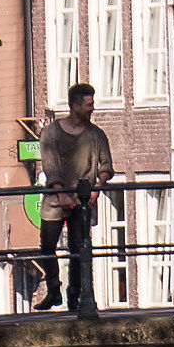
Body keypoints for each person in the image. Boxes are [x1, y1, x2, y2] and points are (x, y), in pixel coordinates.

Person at [35, 84, 113, 312]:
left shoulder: (96, 134)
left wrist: (98, 185)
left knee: (79, 247)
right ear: (75, 106)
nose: (92, 109)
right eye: (88, 105)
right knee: (47, 245)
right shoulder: (51, 133)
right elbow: (50, 165)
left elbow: (106, 165)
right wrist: (59, 191)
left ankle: (76, 294)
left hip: (82, 199)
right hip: (54, 199)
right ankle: (53, 290)